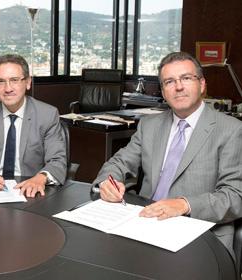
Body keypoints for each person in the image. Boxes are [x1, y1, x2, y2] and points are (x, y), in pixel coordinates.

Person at [92, 51, 242, 256]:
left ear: (202, 84)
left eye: (186, 78)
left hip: (200, 233)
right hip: (144, 224)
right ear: (163, 91)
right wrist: (107, 182)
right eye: (169, 81)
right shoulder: (150, 125)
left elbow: (235, 197)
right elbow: (118, 162)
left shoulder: (231, 130)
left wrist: (184, 205)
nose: (178, 87)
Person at [0, 54, 67, 197]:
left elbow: (57, 160)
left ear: (28, 82)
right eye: (1, 81)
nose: (8, 88)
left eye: (14, 80)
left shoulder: (47, 114)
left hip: (30, 190)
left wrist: (40, 178)